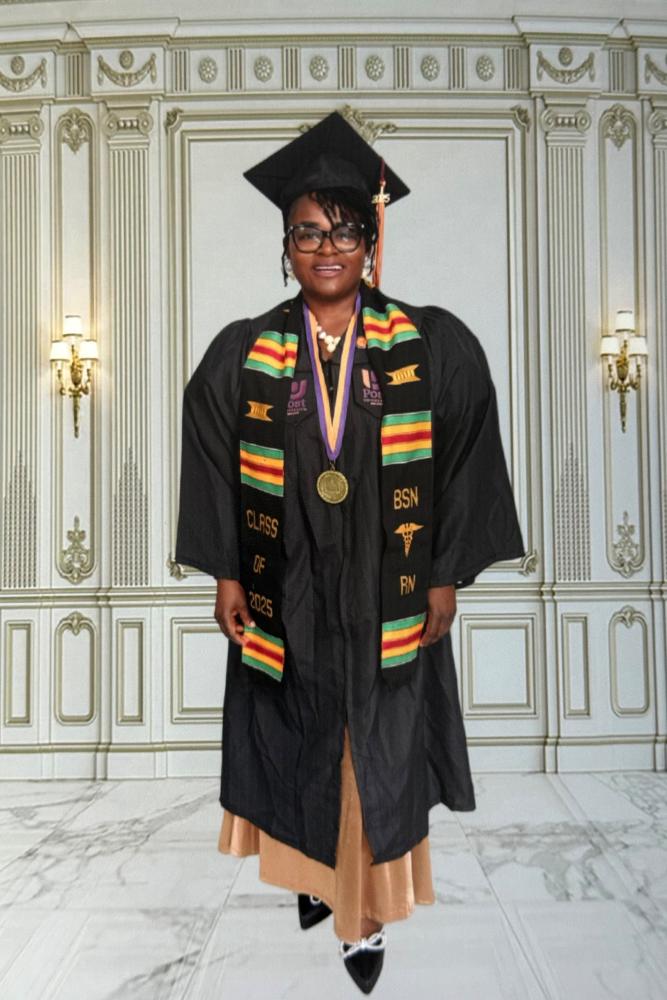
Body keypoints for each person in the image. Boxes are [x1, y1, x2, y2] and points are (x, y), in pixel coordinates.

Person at [175, 110, 526, 995]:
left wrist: (443, 573)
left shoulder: (428, 345)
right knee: (297, 739)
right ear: (284, 247)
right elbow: (213, 458)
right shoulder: (244, 352)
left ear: (370, 244)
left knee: (368, 753)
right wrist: (226, 571)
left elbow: (465, 458)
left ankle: (359, 917)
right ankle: (314, 874)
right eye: (306, 232)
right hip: (287, 590)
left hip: (383, 594)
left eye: (342, 232)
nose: (325, 248)